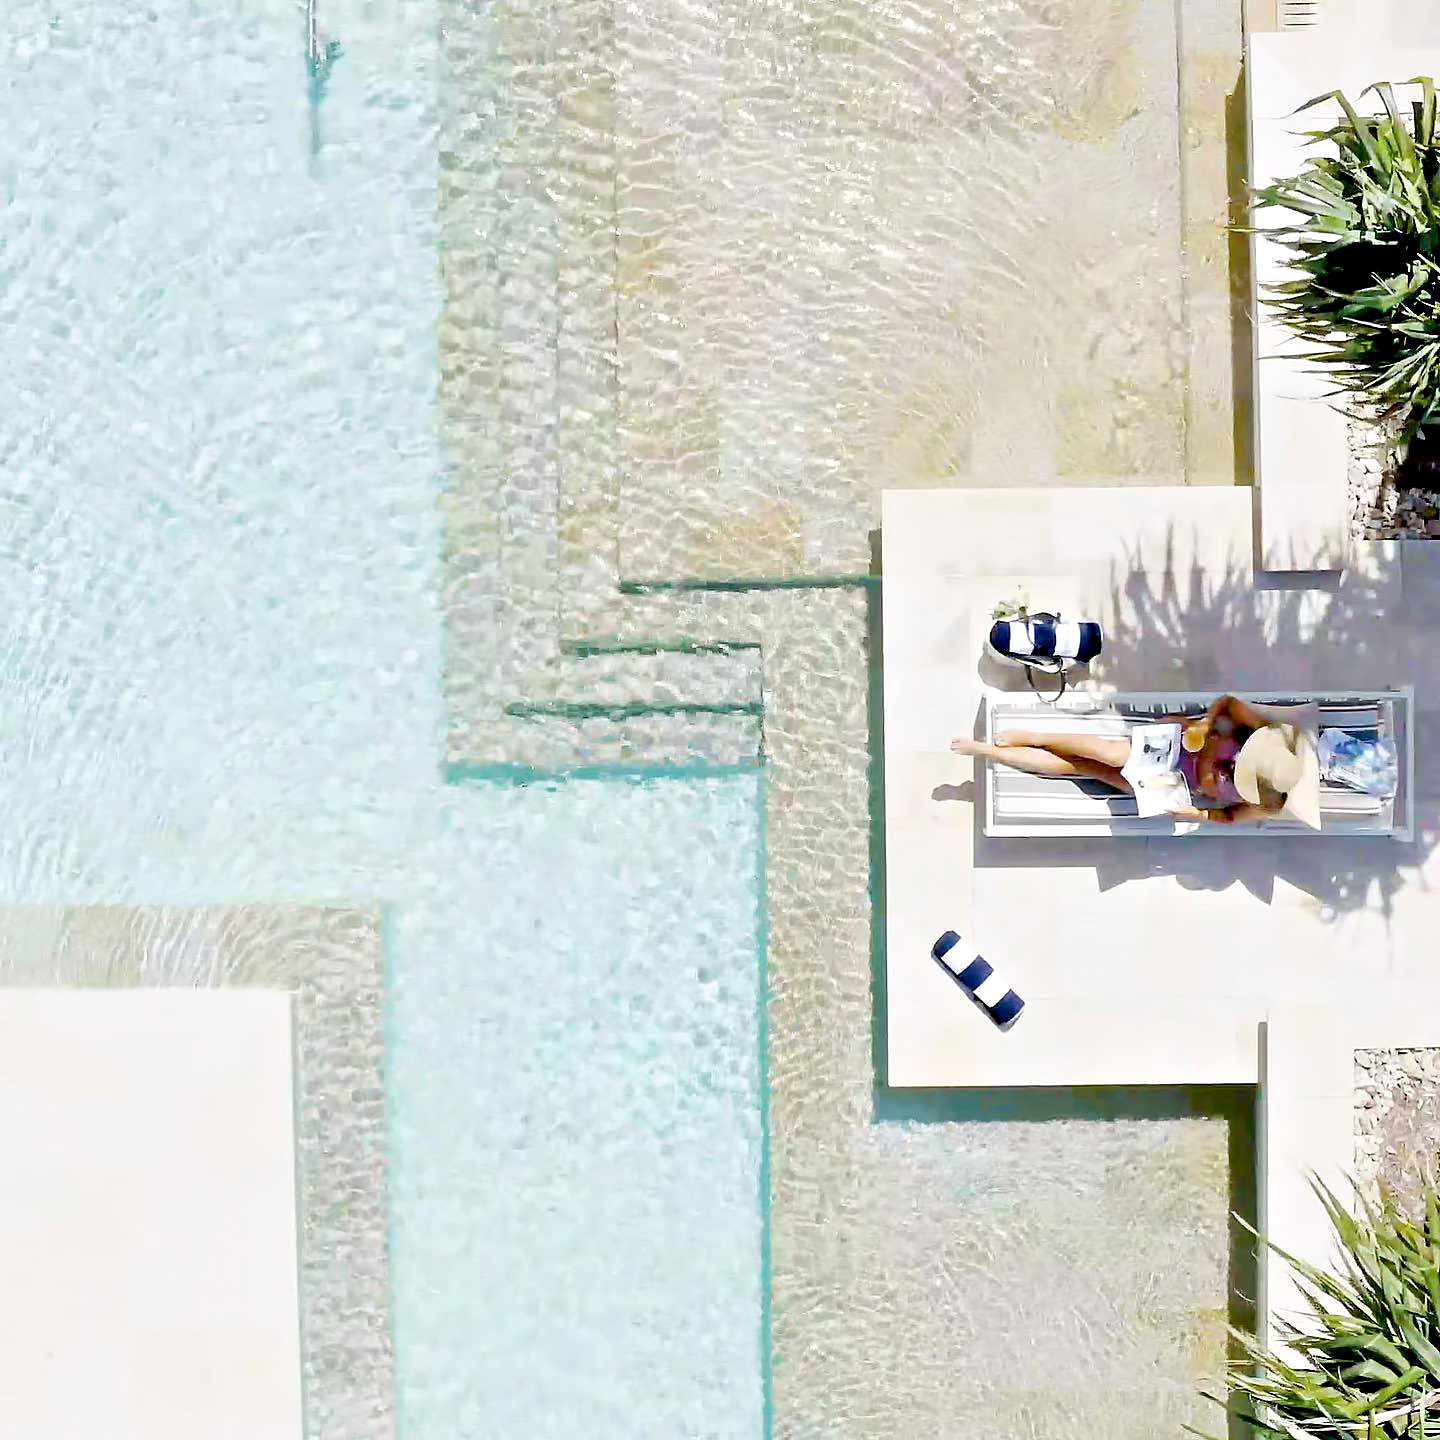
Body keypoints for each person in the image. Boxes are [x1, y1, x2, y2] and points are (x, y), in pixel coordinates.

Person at [950, 694, 1322, 827]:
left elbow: (1227, 817)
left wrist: (1195, 814)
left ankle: (991, 752)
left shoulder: (1263, 803)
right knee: (1108, 752)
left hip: (1174, 785)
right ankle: (1037, 737)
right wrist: (1202, 725)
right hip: (1175, 747)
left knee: (1088, 769)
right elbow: (1226, 702)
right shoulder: (1251, 728)